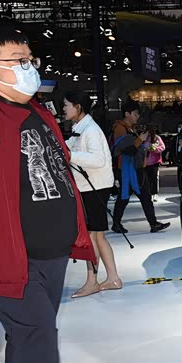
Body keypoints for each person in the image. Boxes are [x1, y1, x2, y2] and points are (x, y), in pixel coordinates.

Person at [0, 26, 94, 363]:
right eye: (18, 60)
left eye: (30, 59)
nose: (28, 67)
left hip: (52, 248)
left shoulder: (37, 111)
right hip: (9, 254)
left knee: (32, 332)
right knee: (36, 330)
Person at [64, 91, 122, 298]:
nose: (64, 109)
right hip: (92, 187)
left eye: (67, 105)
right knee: (97, 236)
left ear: (78, 107)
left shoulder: (90, 130)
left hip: (94, 188)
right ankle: (113, 278)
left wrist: (70, 155)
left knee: (92, 236)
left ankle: (92, 282)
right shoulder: (81, 128)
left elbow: (98, 160)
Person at [111, 101, 170, 234]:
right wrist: (140, 140)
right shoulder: (121, 128)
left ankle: (152, 223)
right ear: (127, 114)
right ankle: (118, 223)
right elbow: (126, 149)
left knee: (141, 196)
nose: (137, 117)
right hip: (128, 169)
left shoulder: (129, 128)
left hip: (134, 168)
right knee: (126, 196)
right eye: (135, 114)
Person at [142, 124, 165, 203]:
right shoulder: (143, 138)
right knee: (146, 179)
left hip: (155, 161)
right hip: (145, 161)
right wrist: (145, 149)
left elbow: (162, 147)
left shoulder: (157, 138)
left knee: (154, 178)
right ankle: (148, 194)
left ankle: (154, 193)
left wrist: (154, 149)